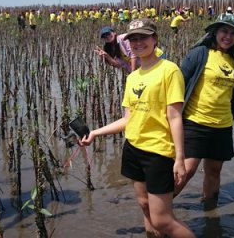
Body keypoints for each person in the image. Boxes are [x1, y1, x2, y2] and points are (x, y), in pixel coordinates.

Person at [81, 19, 195, 238]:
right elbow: (128, 120)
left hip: (159, 152)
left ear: (155, 39)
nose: (138, 42)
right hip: (133, 148)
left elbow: (175, 117)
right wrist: (95, 133)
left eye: (143, 37)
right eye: (133, 38)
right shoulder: (132, 77)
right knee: (144, 204)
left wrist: (179, 158)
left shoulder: (169, 71)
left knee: (163, 220)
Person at [174, 13, 234, 208]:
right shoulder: (200, 54)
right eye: (224, 31)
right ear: (215, 31)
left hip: (223, 125)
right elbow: (178, 86)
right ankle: (159, 209)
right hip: (195, 122)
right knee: (187, 170)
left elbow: (233, 96)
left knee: (214, 170)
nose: (228, 36)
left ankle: (210, 209)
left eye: (233, 33)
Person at [94, 26, 165, 72]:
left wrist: (133, 73)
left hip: (156, 56)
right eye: (104, 36)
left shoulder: (123, 38)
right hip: (144, 63)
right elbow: (119, 65)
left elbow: (133, 55)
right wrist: (107, 57)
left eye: (108, 34)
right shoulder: (112, 48)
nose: (107, 37)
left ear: (114, 33)